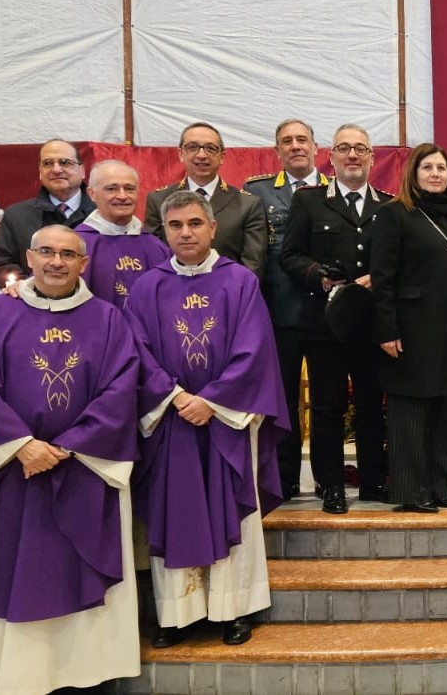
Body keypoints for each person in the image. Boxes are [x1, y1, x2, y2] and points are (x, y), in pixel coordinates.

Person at [0, 224, 141, 693]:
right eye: (47, 252)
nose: (57, 261)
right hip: (10, 472)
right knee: (10, 566)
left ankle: (86, 676)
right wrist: (21, 445)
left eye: (68, 254)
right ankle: (12, 678)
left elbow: (120, 389)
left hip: (83, 468)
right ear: (28, 259)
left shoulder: (108, 319)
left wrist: (69, 444)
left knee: (81, 568)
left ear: (83, 263)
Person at [126, 190, 289, 648]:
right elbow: (136, 351)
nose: (186, 233)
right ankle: (176, 614)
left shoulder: (239, 281)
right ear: (164, 231)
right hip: (171, 420)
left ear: (212, 228)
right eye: (176, 226)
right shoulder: (147, 286)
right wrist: (176, 397)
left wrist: (211, 401)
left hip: (226, 421)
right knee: (176, 510)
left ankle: (233, 610)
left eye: (195, 224)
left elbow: (254, 351)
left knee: (231, 509)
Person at [281, 124, 389, 514]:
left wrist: (379, 276)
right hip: (324, 323)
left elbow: (397, 261)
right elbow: (289, 256)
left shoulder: (388, 206)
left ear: (372, 157)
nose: (353, 155)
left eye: (361, 148)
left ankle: (375, 480)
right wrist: (318, 274)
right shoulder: (309, 202)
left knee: (370, 404)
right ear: (332, 156)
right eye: (344, 148)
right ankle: (331, 485)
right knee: (326, 407)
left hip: (371, 324)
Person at [371, 143, 447, 513]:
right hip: (409, 331)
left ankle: (439, 487)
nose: (435, 174)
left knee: (442, 410)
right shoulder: (395, 215)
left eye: (442, 168)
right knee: (410, 414)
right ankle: (412, 492)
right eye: (427, 167)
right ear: (413, 173)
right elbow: (382, 278)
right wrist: (386, 330)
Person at [245, 118, 330, 499]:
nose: (295, 146)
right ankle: (285, 481)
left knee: (329, 402)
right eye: (287, 141)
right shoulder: (257, 194)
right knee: (282, 403)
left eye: (302, 140)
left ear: (316, 148)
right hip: (278, 314)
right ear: (277, 150)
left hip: (328, 316)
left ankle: (329, 480)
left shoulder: (335, 191)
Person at [145, 121, 267, 276]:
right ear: (180, 154)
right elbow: (154, 258)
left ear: (222, 157)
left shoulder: (248, 204)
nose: (201, 155)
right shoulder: (158, 200)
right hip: (173, 292)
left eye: (210, 148)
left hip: (227, 292)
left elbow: (253, 266)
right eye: (192, 147)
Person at [0, 139, 96, 284]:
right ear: (40, 172)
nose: (56, 169)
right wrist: (27, 291)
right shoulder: (16, 216)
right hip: (34, 303)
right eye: (48, 163)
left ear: (82, 171)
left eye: (65, 162)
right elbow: (3, 264)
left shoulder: (102, 214)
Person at [75, 159, 171, 308]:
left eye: (129, 188)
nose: (122, 196)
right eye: (111, 189)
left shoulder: (156, 247)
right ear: (92, 194)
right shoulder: (75, 245)